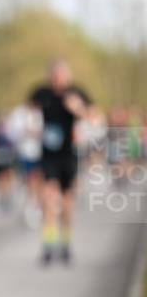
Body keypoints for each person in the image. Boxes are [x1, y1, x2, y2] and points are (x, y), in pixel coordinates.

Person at [28, 60, 90, 266]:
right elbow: (28, 113)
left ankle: (66, 244)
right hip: (48, 155)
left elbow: (94, 117)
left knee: (67, 203)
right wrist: (32, 127)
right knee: (48, 199)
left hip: (69, 155)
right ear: (50, 76)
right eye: (55, 75)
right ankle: (48, 246)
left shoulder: (76, 93)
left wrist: (78, 109)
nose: (58, 79)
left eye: (62, 75)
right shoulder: (41, 93)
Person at [6, 99, 44, 228]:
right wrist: (24, 131)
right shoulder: (19, 114)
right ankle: (31, 206)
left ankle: (38, 205)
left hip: (42, 153)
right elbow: (11, 133)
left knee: (39, 181)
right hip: (25, 153)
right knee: (30, 181)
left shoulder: (43, 113)